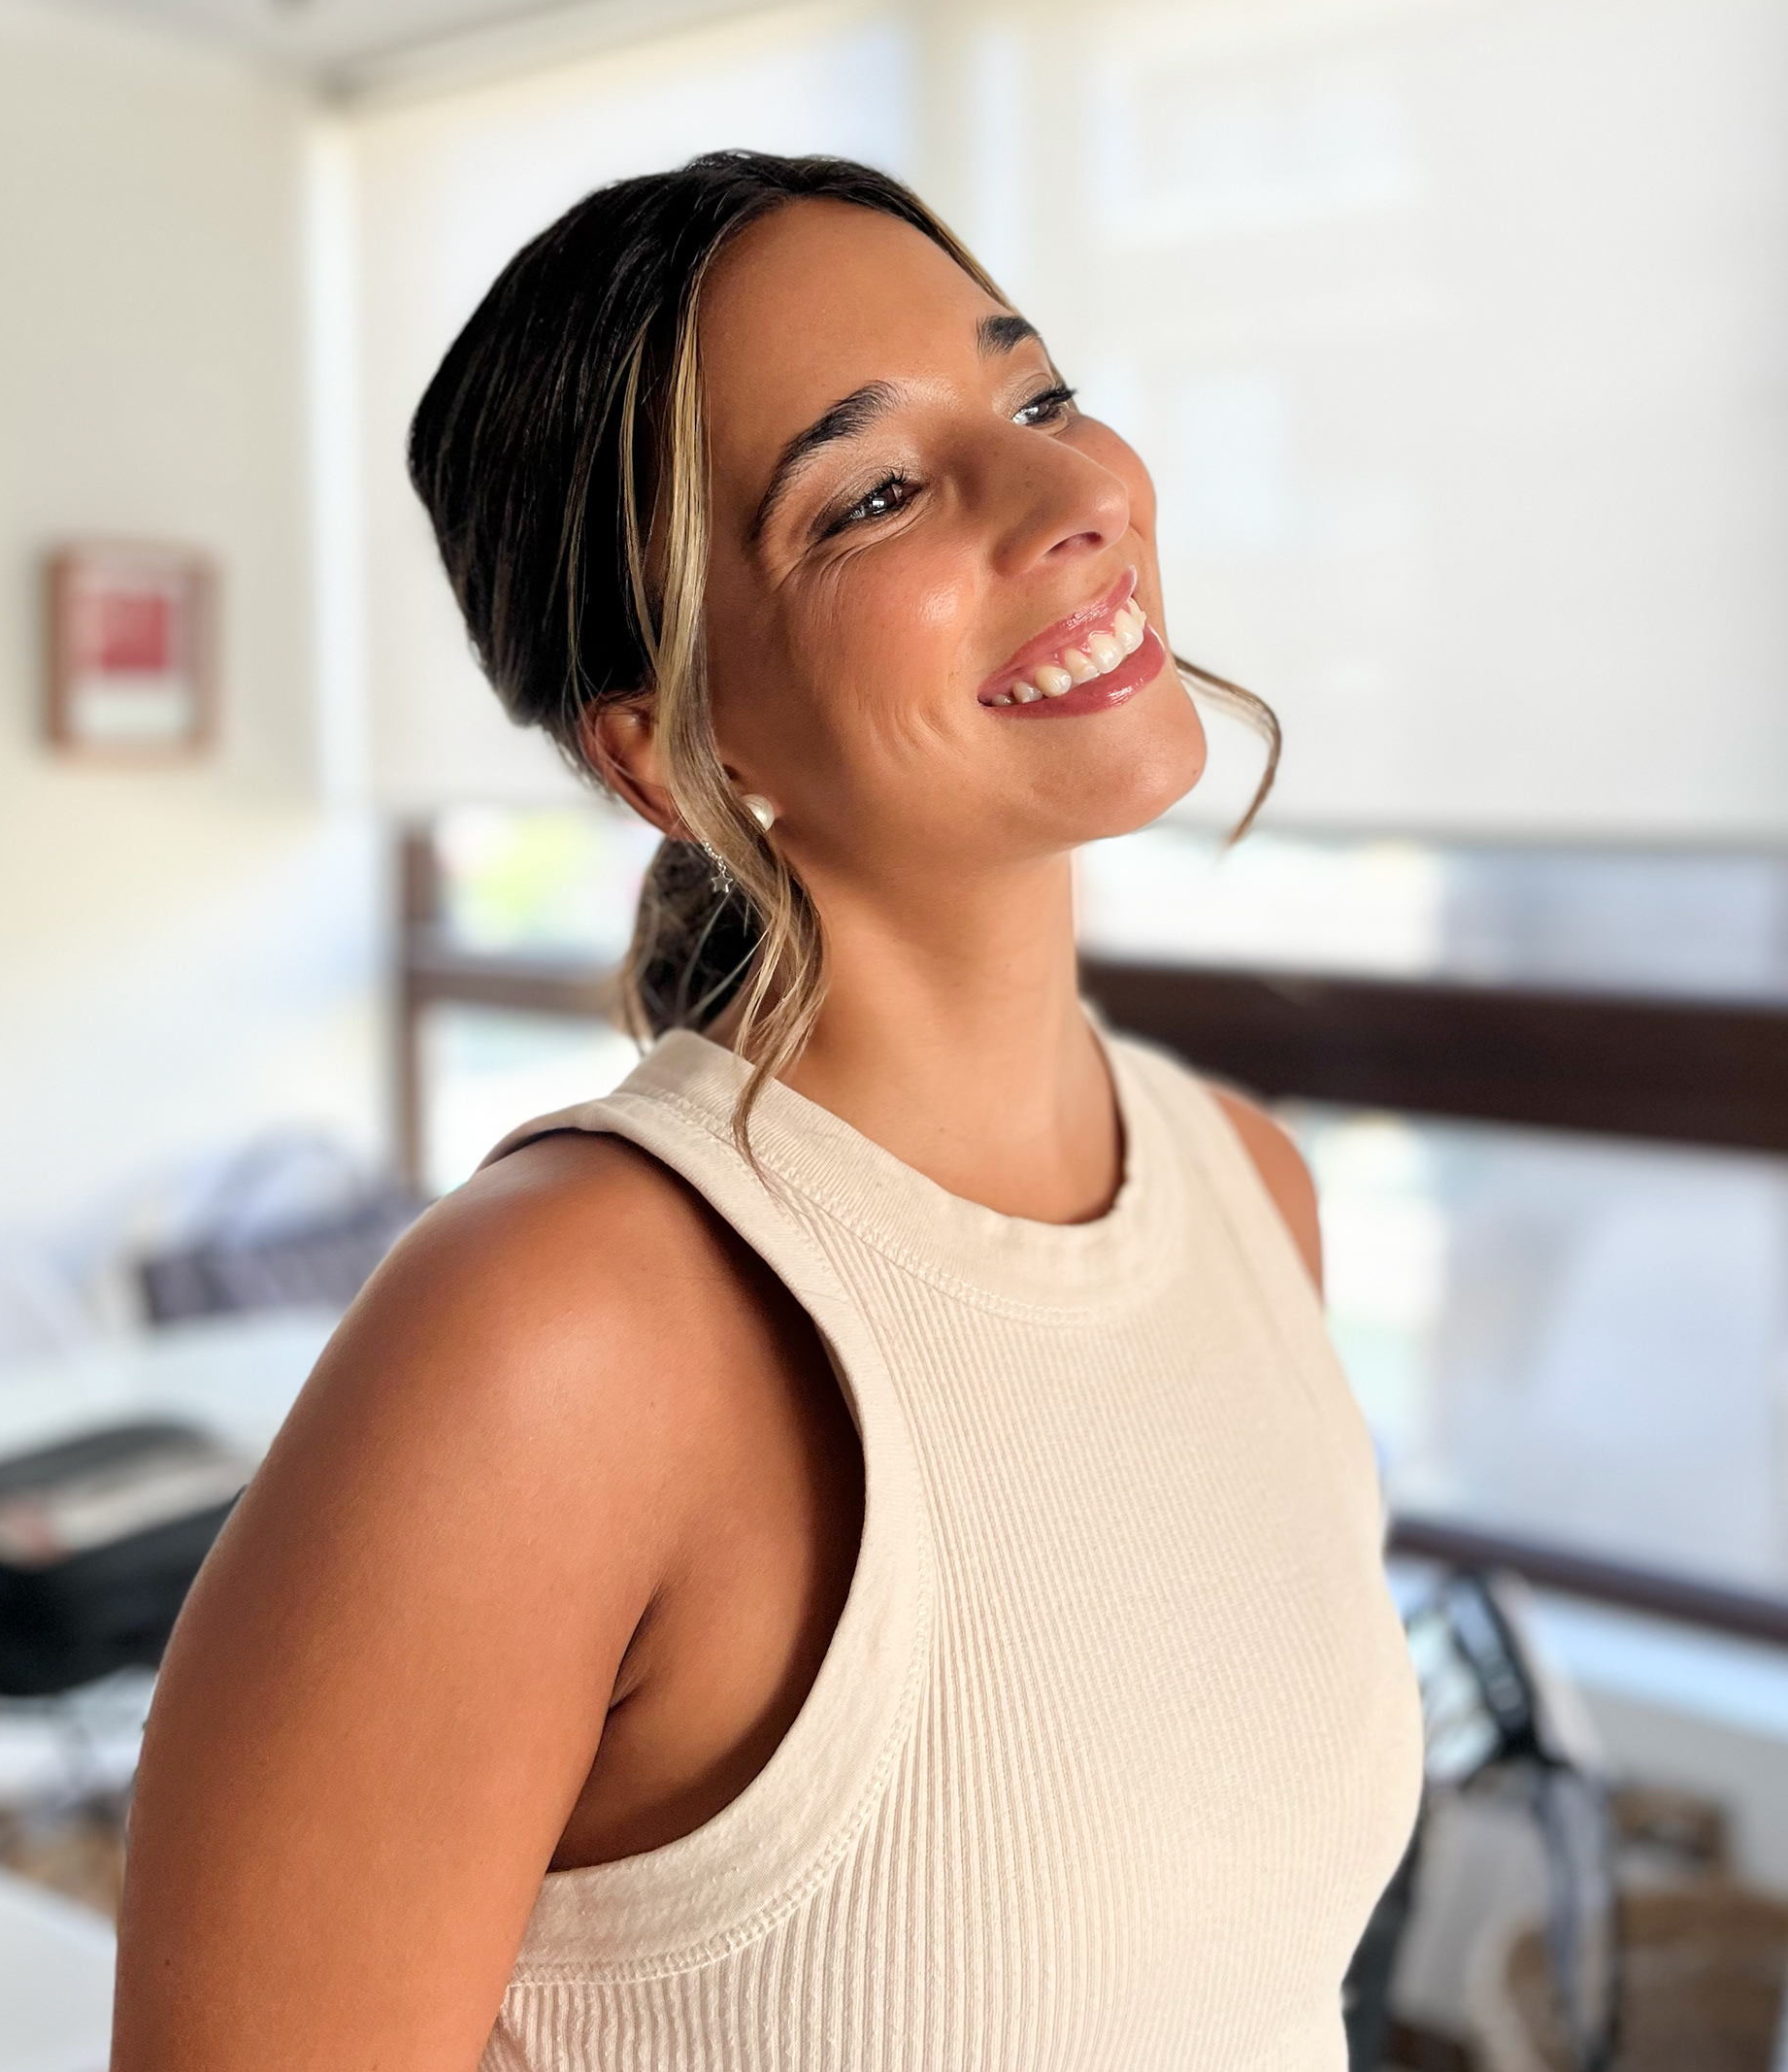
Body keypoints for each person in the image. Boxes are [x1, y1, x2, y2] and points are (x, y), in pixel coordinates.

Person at [111, 152, 1424, 2071]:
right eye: (873, 493)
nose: (1073, 497)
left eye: (1039, 397)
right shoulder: (554, 1338)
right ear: (671, 749)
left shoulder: (1251, 1190)